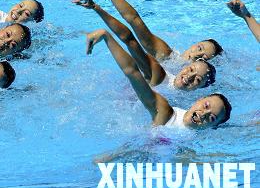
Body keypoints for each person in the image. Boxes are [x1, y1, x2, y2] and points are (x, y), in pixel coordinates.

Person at [85, 29, 231, 129]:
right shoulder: (166, 110)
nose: (204, 114)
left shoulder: (195, 137)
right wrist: (107, 36)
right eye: (205, 106)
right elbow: (132, 70)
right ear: (199, 99)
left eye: (211, 118)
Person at [73, 0, 216, 90]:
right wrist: (97, 7)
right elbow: (132, 32)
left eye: (197, 79)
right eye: (199, 47)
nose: (197, 54)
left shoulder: (193, 104)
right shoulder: (163, 69)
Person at [80, 0, 223, 61]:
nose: (198, 54)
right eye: (199, 48)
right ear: (193, 44)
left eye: (204, 57)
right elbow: (134, 20)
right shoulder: (166, 56)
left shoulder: (196, 81)